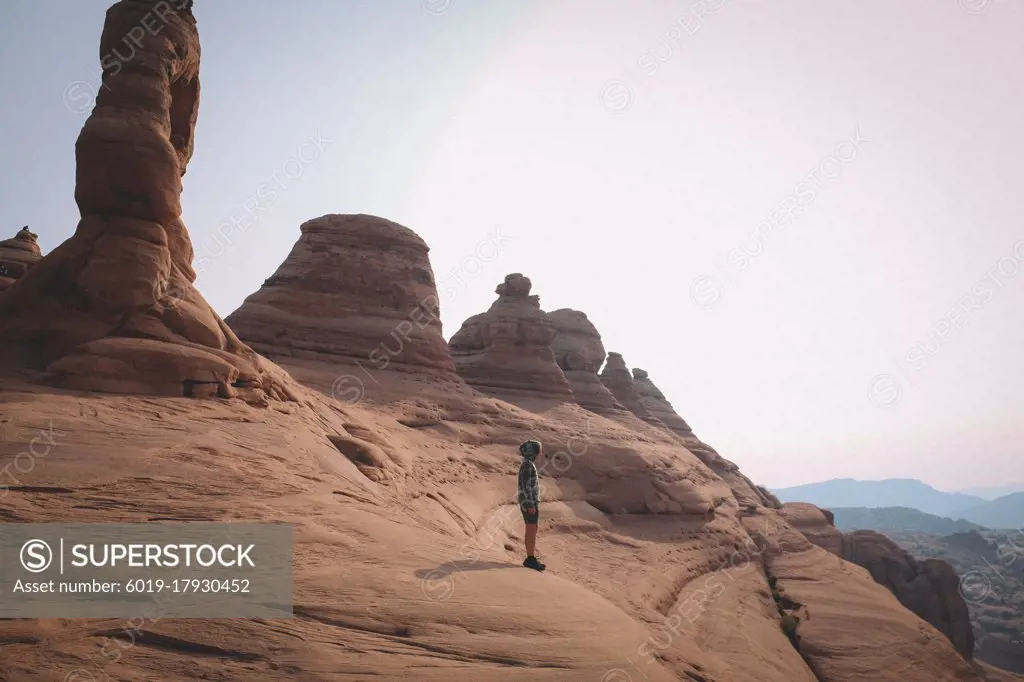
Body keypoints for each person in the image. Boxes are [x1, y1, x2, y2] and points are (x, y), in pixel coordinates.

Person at [517, 439, 545, 571]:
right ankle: (530, 558)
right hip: (529, 502)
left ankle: (531, 557)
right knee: (531, 529)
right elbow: (526, 485)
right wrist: (530, 504)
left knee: (533, 528)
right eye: (538, 450)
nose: (539, 453)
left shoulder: (528, 464)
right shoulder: (527, 464)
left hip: (531, 501)